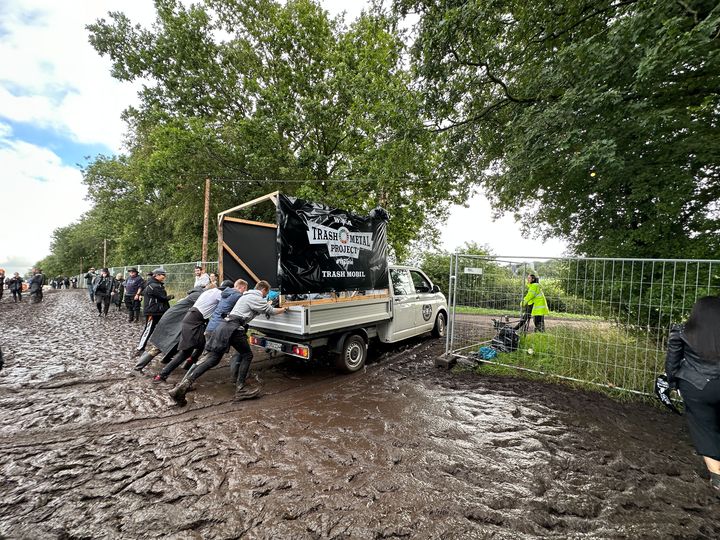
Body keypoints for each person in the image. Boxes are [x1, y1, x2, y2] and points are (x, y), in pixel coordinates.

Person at [168, 280, 287, 405]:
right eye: (265, 294)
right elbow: (271, 311)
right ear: (264, 290)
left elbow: (257, 310)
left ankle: (181, 388)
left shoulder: (245, 296)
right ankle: (241, 388)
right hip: (234, 328)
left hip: (223, 326)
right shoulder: (255, 297)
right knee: (247, 355)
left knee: (212, 359)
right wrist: (284, 309)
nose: (264, 296)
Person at [666, 296, 720, 495]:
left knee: (704, 427)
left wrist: (672, 383)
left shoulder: (682, 332)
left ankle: (717, 478)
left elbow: (672, 362)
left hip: (696, 387)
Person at [154, 280, 246, 382]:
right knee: (186, 352)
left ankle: (189, 364)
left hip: (192, 319)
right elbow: (225, 306)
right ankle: (164, 375)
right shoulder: (220, 294)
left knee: (201, 346)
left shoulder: (210, 291)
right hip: (195, 321)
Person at [133, 286, 206, 371]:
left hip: (175, 321)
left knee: (175, 343)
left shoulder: (195, 294)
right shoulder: (198, 295)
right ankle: (138, 368)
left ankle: (166, 360)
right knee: (159, 347)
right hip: (172, 322)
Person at [136, 268, 174, 354]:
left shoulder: (156, 284)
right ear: (156, 275)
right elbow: (163, 298)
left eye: (164, 275)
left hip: (159, 311)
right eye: (162, 275)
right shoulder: (153, 285)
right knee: (148, 329)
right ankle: (140, 348)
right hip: (152, 311)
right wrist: (170, 297)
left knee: (164, 329)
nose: (164, 276)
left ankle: (164, 347)